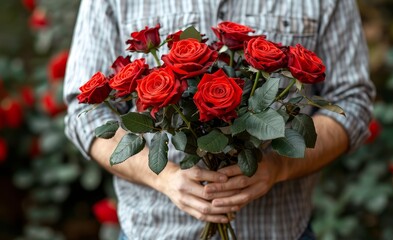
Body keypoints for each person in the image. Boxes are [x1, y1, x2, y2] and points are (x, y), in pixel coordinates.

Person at [63, 0, 375, 239]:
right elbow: (82, 111)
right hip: (152, 230)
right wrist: (163, 176)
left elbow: (352, 101)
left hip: (279, 230)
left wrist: (279, 167)